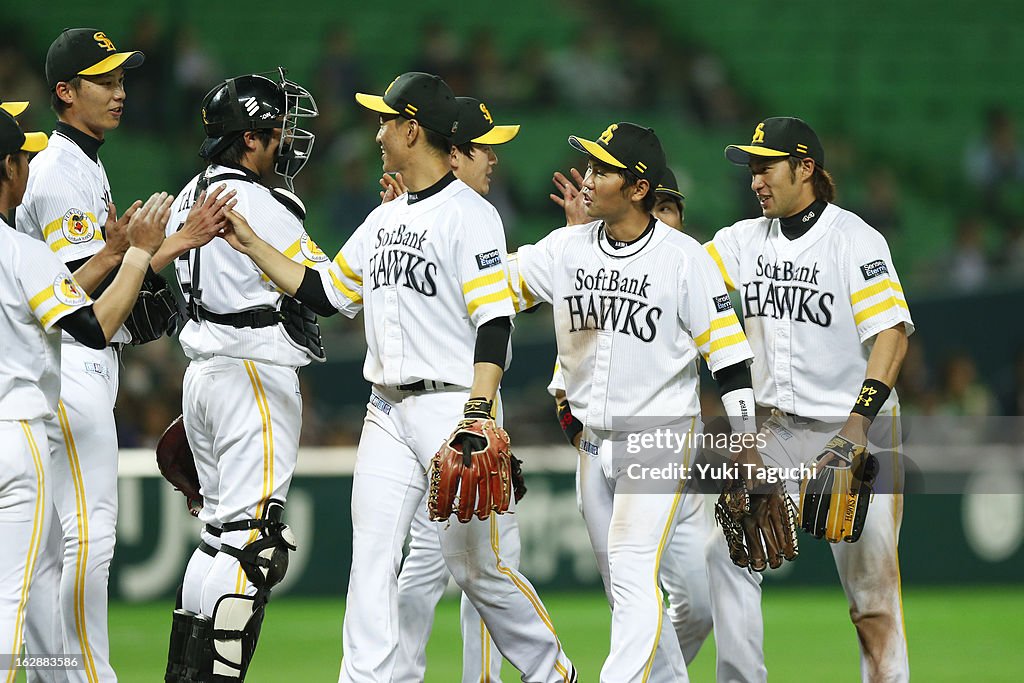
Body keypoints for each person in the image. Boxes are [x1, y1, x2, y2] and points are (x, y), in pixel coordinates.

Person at [216, 71, 576, 683]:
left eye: (386, 121)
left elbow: (494, 325)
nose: (377, 131)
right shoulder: (382, 221)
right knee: (373, 560)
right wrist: (251, 244)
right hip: (385, 409)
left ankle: (551, 670)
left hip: (452, 406)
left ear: (412, 129)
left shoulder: (473, 215)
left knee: (477, 568)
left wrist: (479, 412)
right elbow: (325, 291)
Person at [15, 28, 232, 683]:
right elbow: (89, 296)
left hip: (66, 364)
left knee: (53, 549)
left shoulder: (79, 161)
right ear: (63, 91)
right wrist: (164, 246)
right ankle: (86, 674)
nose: (119, 91)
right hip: (70, 365)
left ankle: (60, 673)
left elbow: (104, 272)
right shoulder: (59, 172)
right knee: (90, 536)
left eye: (121, 79)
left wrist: (155, 247)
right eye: (103, 81)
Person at [506, 122, 758, 682]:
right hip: (593, 446)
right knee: (627, 590)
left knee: (631, 570)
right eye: (590, 167)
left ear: (639, 188)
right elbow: (492, 285)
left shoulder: (684, 258)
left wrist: (746, 445)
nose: (589, 179)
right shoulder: (566, 248)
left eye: (602, 170)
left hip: (659, 436)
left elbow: (731, 359)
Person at [705, 116, 913, 682]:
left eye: (765, 166)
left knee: (871, 599)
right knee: (724, 553)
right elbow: (678, 276)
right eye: (750, 169)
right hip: (778, 431)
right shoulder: (740, 241)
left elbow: (891, 334)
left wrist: (857, 426)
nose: (754, 181)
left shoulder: (854, 239)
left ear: (805, 168)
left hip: (854, 429)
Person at [159, 67, 322, 683]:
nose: (283, 142)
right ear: (248, 139)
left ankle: (184, 674)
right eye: (274, 131)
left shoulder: (188, 192)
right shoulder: (258, 201)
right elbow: (325, 290)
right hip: (253, 370)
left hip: (203, 373)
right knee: (254, 543)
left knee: (218, 537)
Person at [0, 104, 172, 681]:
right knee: (33, 581)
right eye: (23, 155)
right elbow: (89, 324)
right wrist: (141, 253)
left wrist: (109, 253)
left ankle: (56, 674)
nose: (30, 163)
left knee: (41, 568)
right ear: (7, 169)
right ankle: (80, 675)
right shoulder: (24, 250)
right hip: (23, 422)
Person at [547, 167, 713, 666]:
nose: (661, 217)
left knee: (698, 607)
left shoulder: (688, 269)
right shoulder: (595, 278)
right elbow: (566, 395)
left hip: (679, 456)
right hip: (621, 456)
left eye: (669, 209)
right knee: (634, 590)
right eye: (655, 207)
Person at [382, 96, 521, 683]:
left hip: (432, 411)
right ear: (454, 153)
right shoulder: (463, 219)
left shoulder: (457, 220)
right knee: (490, 564)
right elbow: (493, 324)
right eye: (484, 147)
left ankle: (396, 674)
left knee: (422, 571)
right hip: (457, 412)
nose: (493, 159)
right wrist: (479, 416)